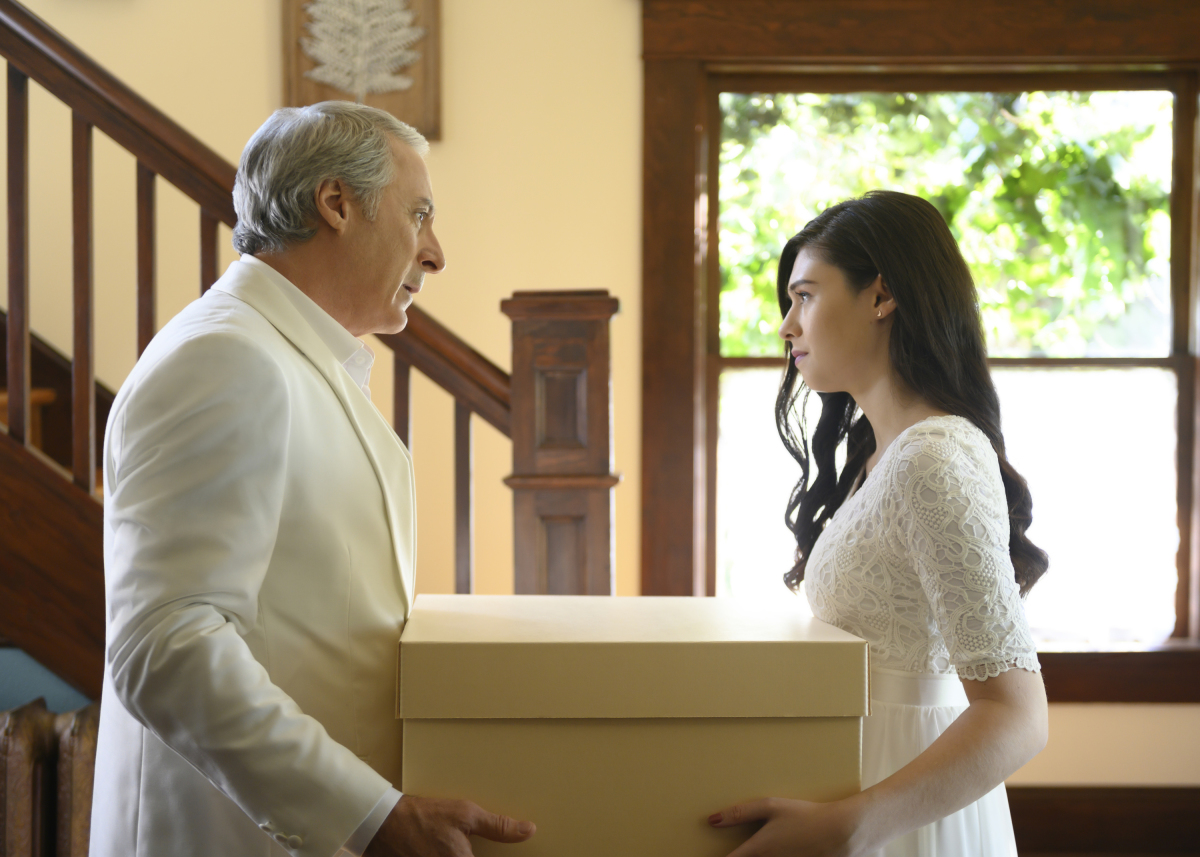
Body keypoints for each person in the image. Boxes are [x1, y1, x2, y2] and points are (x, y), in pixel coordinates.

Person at [90, 102, 535, 857]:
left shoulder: (284, 354)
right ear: (336, 203)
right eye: (419, 214)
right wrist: (370, 815)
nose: (434, 253)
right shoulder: (227, 357)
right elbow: (167, 644)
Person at [708, 191, 1049, 856]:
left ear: (881, 295)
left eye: (805, 296)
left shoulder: (933, 458)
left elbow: (1018, 715)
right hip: (864, 782)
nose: (786, 326)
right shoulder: (879, 456)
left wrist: (851, 825)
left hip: (900, 812)